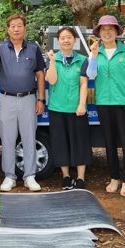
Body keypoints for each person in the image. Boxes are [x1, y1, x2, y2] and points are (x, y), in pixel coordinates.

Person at [0, 14, 46, 192]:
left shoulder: (34, 49)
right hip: (7, 99)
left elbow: (40, 75)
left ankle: (30, 176)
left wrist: (41, 99)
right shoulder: (0, 48)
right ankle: (9, 177)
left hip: (29, 99)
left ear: (24, 28)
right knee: (8, 139)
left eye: (19, 25)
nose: (16, 29)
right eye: (12, 26)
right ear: (8, 29)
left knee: (29, 139)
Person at [86, 15, 125, 197]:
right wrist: (94, 56)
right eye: (103, 29)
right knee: (109, 143)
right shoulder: (95, 52)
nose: (107, 32)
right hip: (103, 103)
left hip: (124, 102)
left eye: (111, 28)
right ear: (99, 33)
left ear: (116, 31)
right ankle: (114, 178)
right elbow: (91, 75)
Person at [45, 26, 91, 190]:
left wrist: (82, 104)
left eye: (69, 37)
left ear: (74, 40)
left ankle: (80, 177)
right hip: (57, 108)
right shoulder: (53, 58)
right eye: (63, 38)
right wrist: (52, 61)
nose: (66, 40)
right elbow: (51, 81)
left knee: (80, 142)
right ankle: (65, 176)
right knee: (60, 143)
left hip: (77, 109)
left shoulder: (82, 59)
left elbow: (83, 83)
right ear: (58, 41)